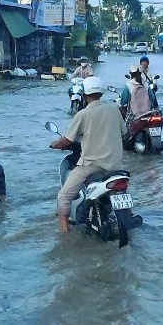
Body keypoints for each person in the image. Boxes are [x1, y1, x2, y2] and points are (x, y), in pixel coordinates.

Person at [49, 76, 125, 233]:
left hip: (92, 165)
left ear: (84, 94)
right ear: (101, 93)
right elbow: (124, 132)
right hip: (116, 165)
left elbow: (68, 140)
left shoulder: (82, 114)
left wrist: (56, 144)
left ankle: (64, 234)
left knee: (63, 196)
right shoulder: (114, 109)